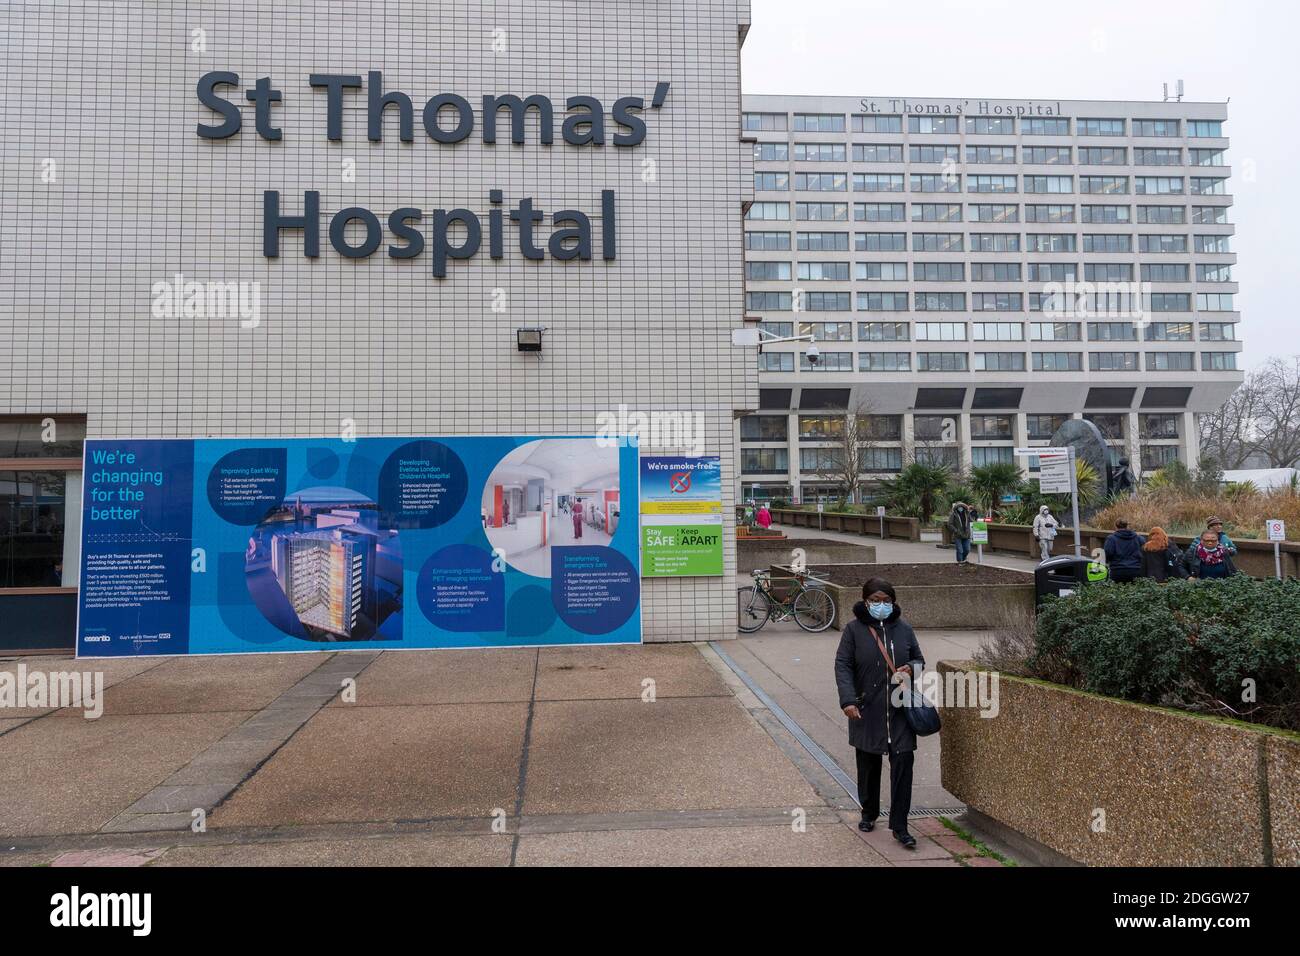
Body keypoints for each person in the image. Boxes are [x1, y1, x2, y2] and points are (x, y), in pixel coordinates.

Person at [834, 577, 924, 848]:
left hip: (900, 711)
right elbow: (843, 666)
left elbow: (919, 659)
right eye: (875, 601)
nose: (881, 605)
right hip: (866, 709)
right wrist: (848, 700)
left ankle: (900, 826)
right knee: (869, 766)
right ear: (865, 601)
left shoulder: (904, 628)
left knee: (903, 767)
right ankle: (869, 812)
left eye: (886, 601)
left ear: (893, 602)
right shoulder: (853, 630)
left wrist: (911, 668)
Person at [1103, 519, 1146, 583]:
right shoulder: (1137, 537)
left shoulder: (1111, 539)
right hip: (1135, 570)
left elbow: (1108, 553)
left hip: (1117, 570)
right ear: (1127, 526)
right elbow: (1143, 543)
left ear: (1116, 526)